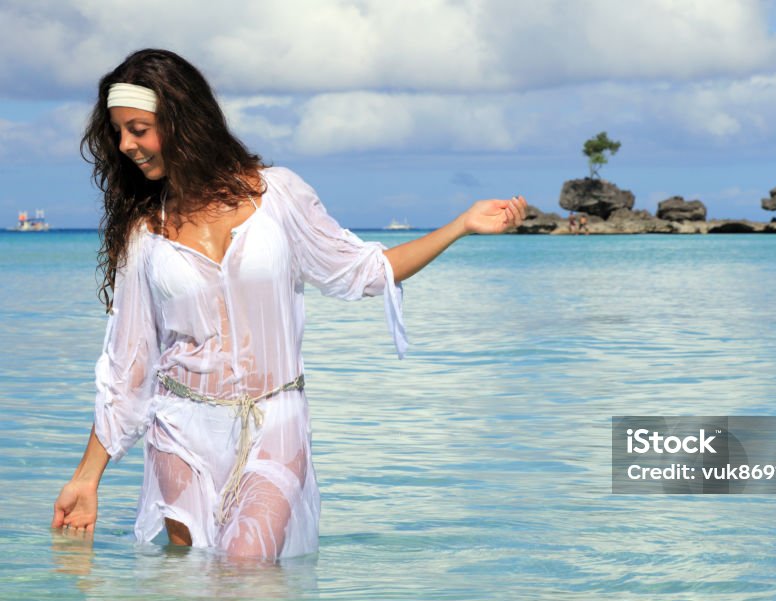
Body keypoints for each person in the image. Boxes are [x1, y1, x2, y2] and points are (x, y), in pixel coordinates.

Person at [50, 49, 527, 560]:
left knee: (246, 567)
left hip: (275, 420)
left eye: (139, 129)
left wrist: (460, 226)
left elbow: (362, 271)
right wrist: (86, 479)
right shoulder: (145, 232)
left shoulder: (278, 196)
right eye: (118, 132)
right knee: (184, 600)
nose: (126, 146)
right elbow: (130, 366)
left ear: (181, 120)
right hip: (180, 431)